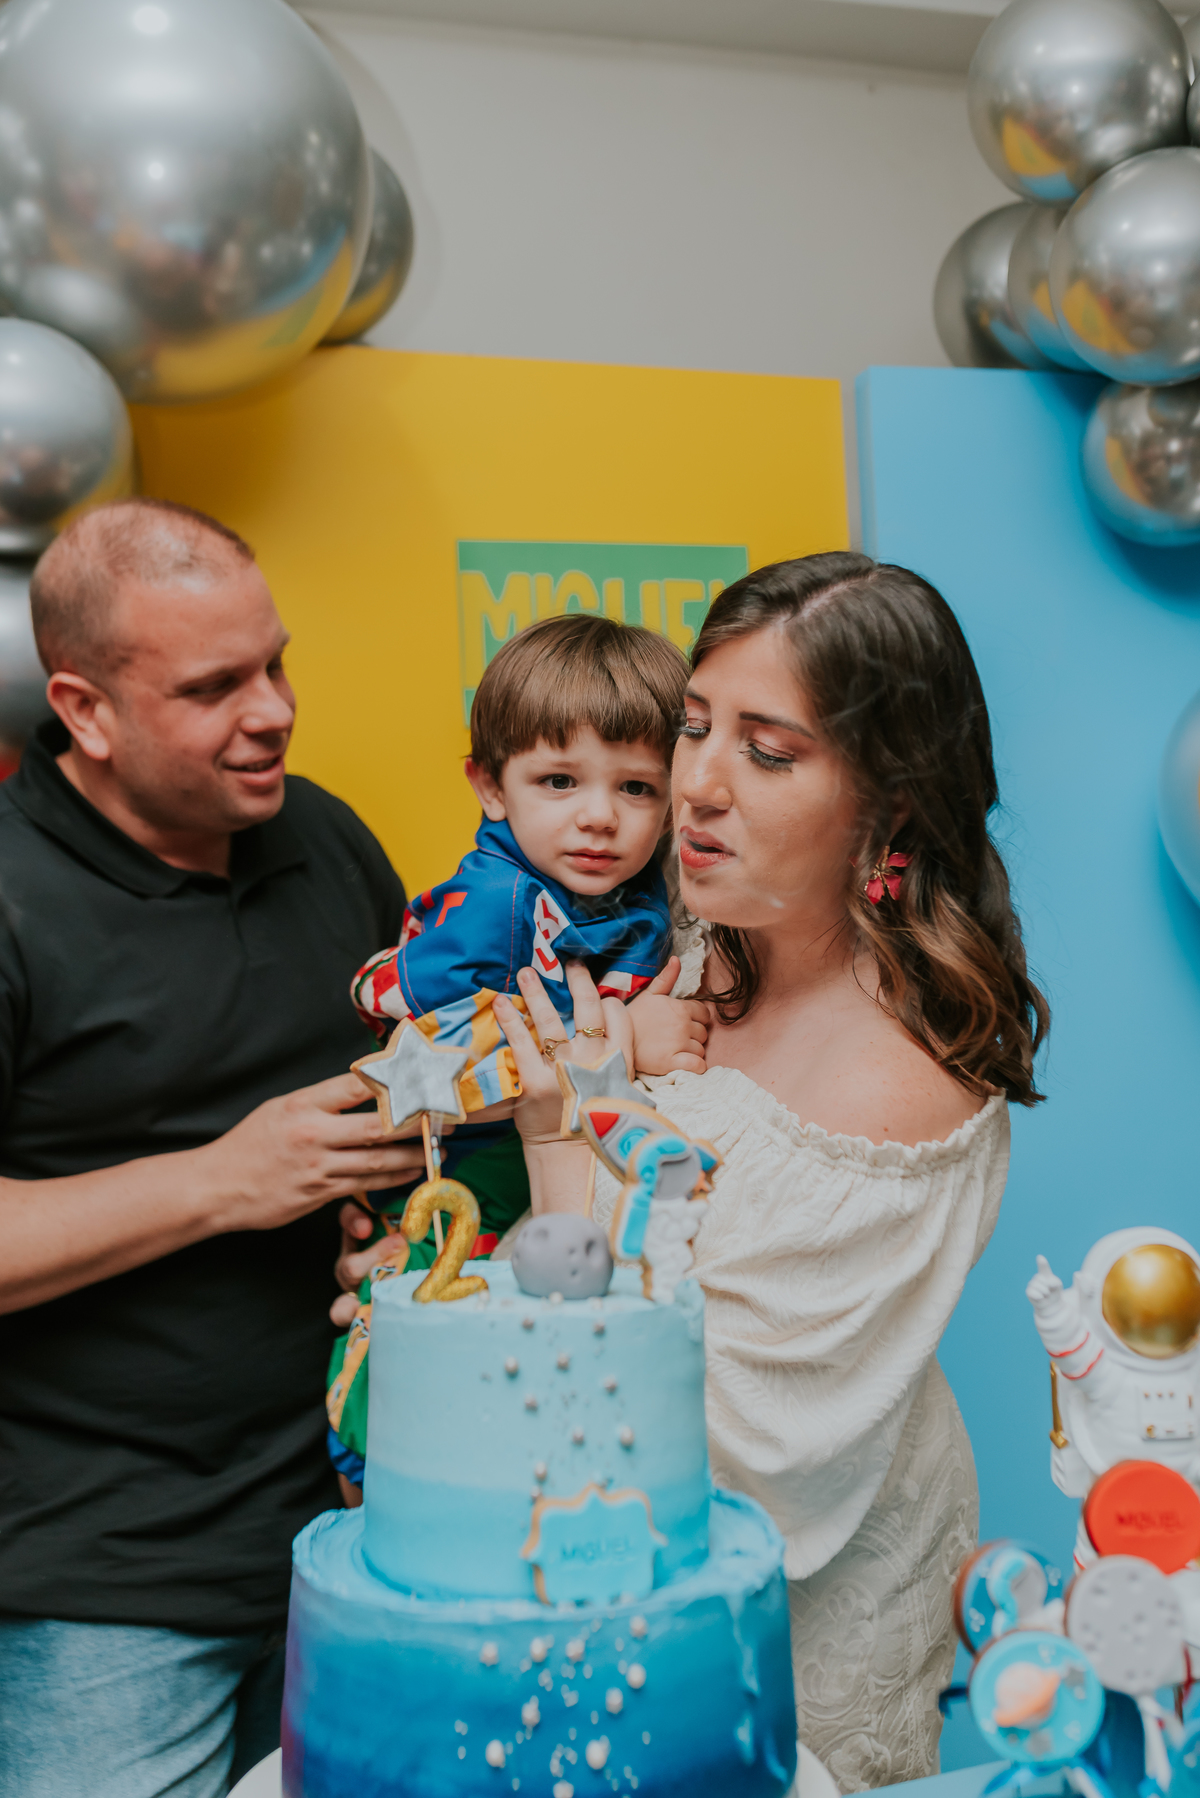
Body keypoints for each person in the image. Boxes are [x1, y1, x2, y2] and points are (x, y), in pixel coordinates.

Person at [488, 552, 1049, 1792]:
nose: (696, 784)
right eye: (695, 726)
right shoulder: (703, 939)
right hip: (611, 1599)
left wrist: (560, 1130)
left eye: (770, 752)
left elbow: (697, 1451)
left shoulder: (893, 1088)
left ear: (891, 804)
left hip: (779, 1635)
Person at [0, 498, 429, 1798]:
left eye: (275, 664)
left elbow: (408, 1102)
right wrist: (221, 1183)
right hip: (103, 1591)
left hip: (350, 1545)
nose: (274, 711)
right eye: (212, 688)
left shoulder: (327, 836)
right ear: (84, 710)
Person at [329, 614, 707, 1488]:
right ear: (491, 787)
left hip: (553, 1180)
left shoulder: (630, 887)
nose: (599, 817)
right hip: (462, 1171)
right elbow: (417, 1045)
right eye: (559, 780)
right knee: (435, 1342)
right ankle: (374, 1466)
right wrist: (626, 1041)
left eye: (637, 788)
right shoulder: (500, 908)